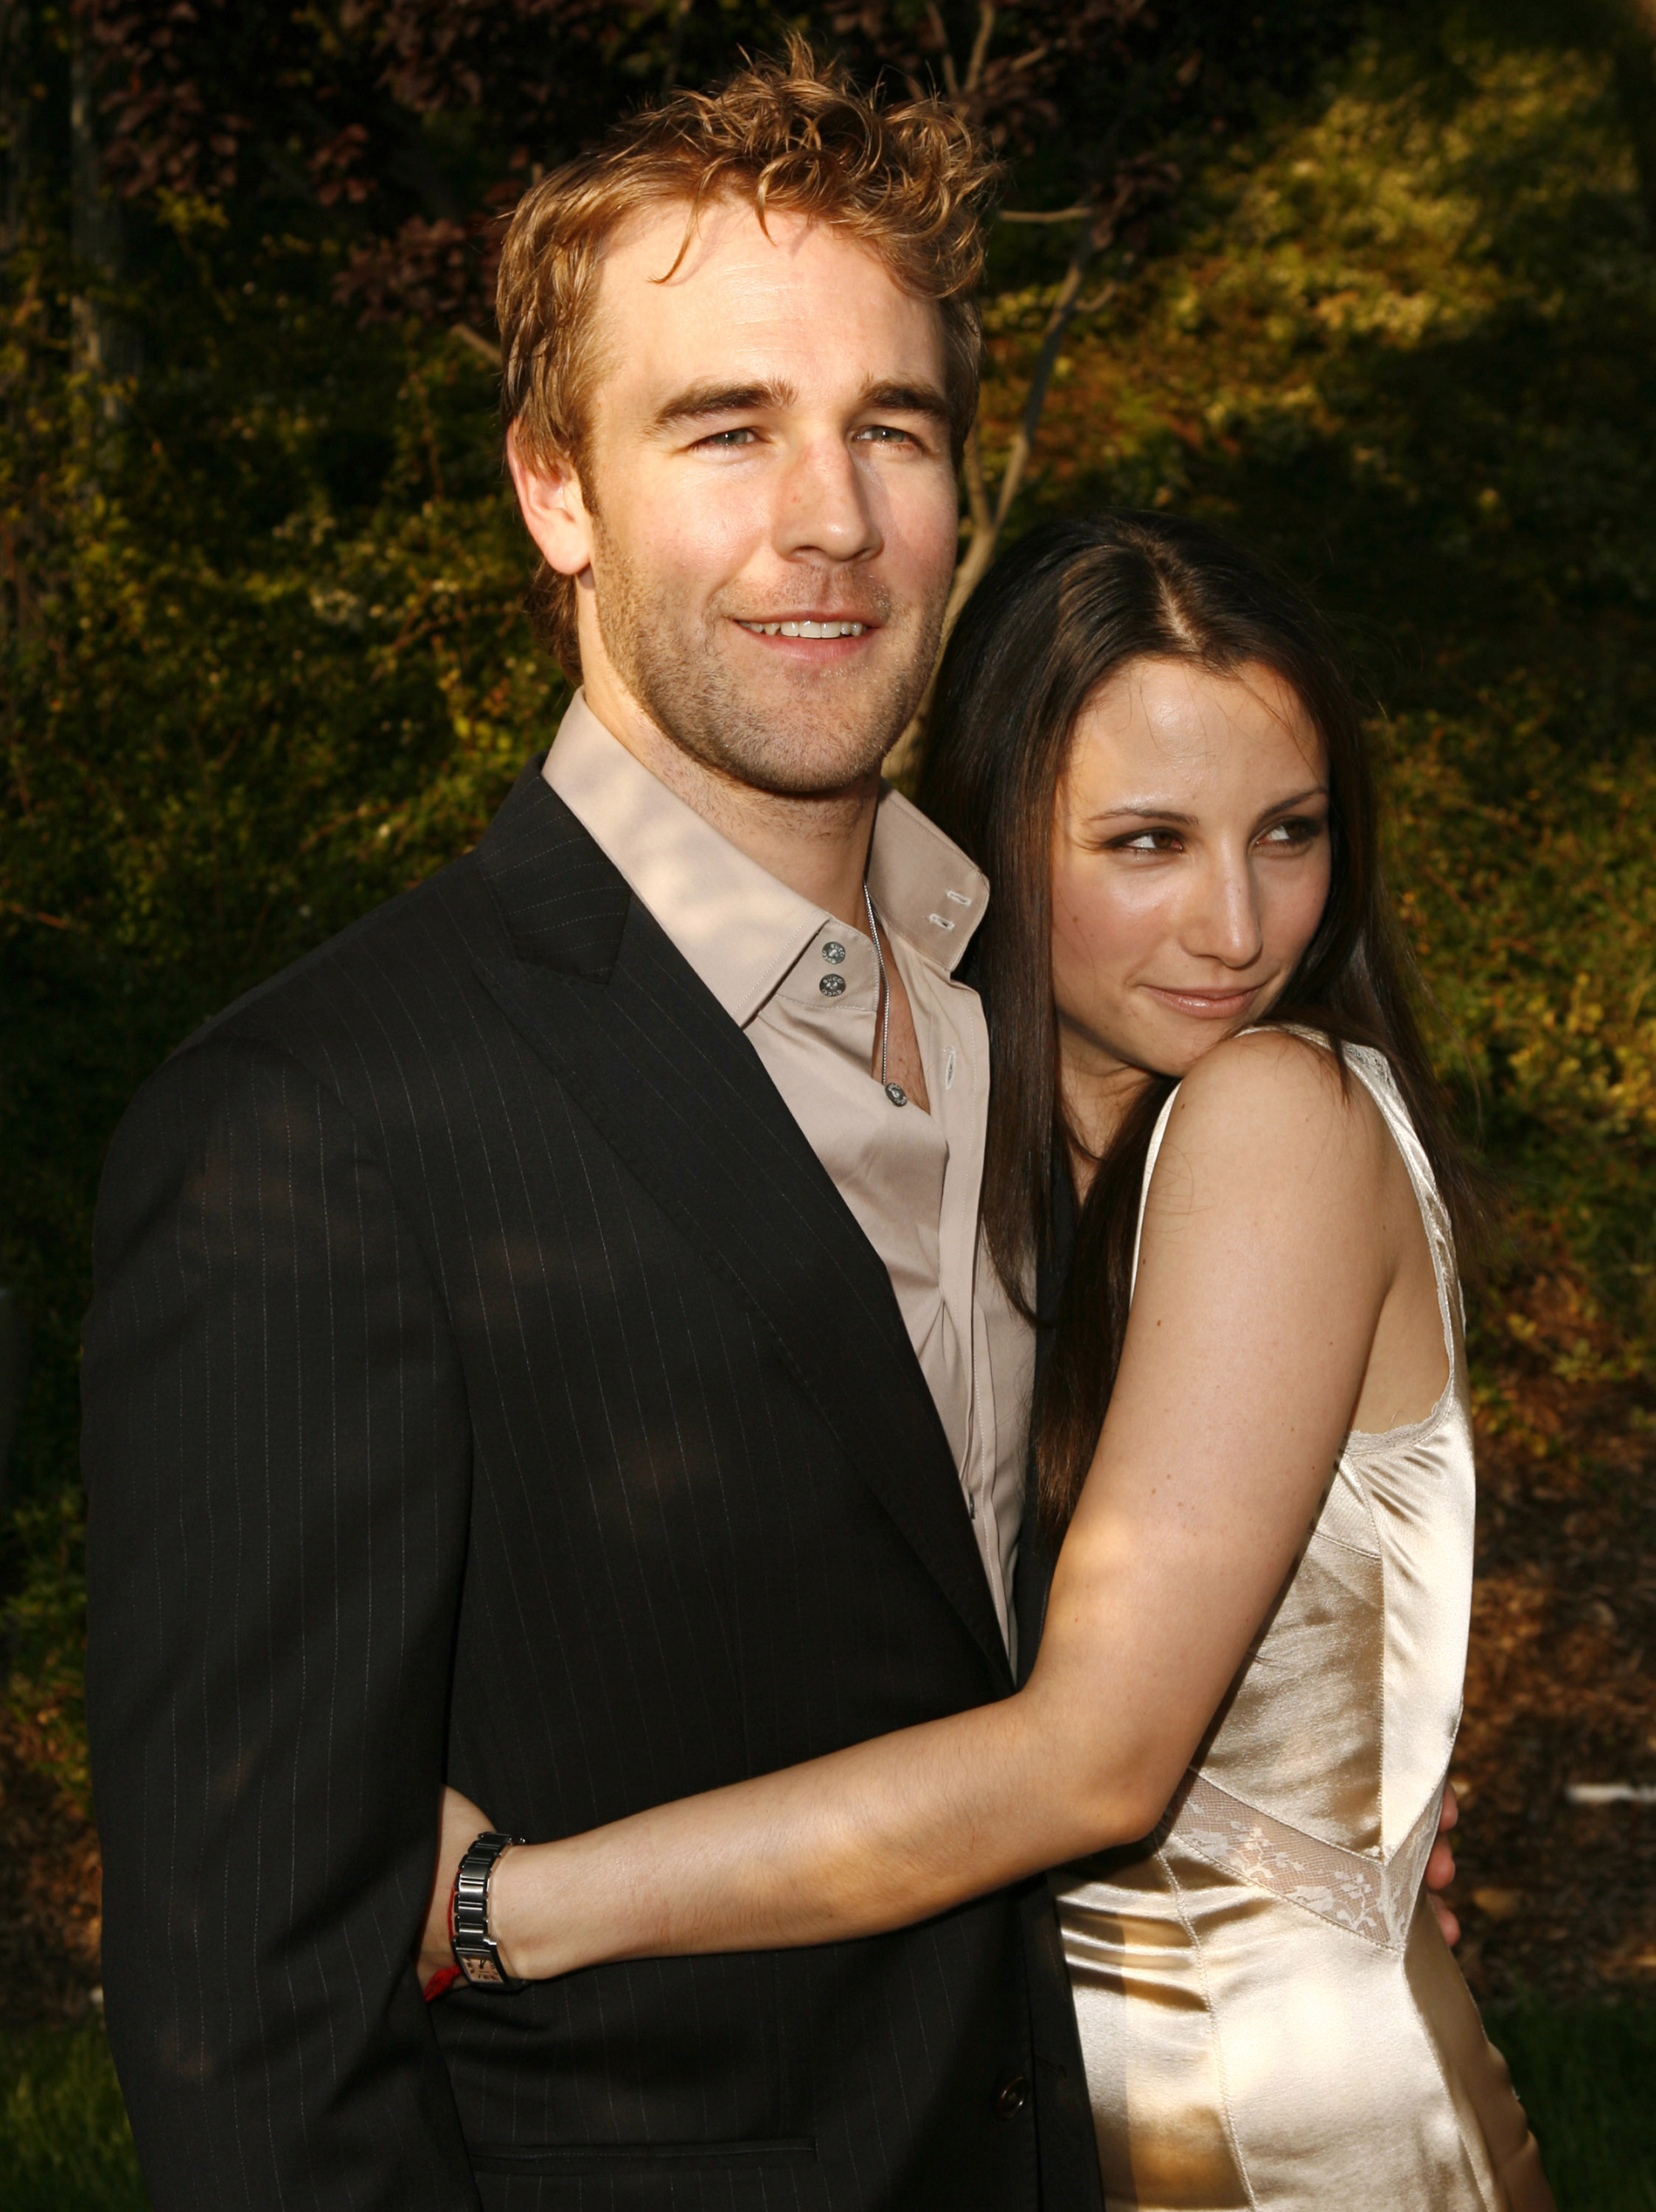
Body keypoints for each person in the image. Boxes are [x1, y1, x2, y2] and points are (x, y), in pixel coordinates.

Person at [81, 49, 1110, 2212]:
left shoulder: (1044, 1012)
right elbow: (261, 2055)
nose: (828, 518)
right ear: (556, 491)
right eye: (724, 429)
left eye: (890, 430)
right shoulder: (315, 1131)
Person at [420, 514, 1554, 2212]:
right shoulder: (965, 1172)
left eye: (1291, 833)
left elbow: (1096, 1759)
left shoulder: (1277, 1118)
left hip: (1285, 2150)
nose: (1237, 925)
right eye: (1147, 841)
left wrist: (510, 1904)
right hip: (1023, 2123)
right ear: (997, 839)